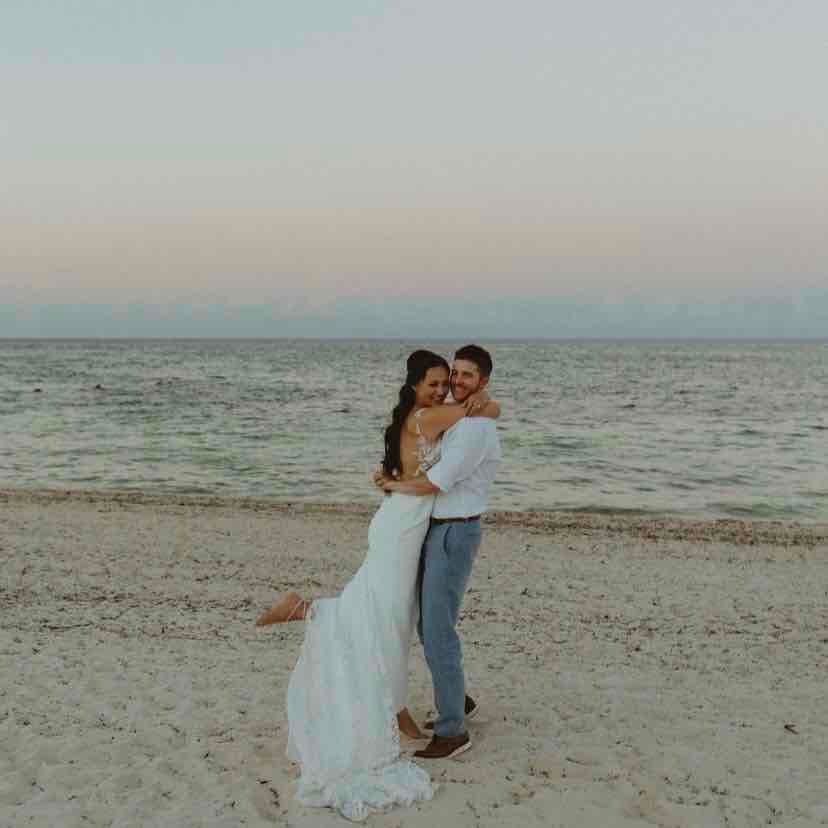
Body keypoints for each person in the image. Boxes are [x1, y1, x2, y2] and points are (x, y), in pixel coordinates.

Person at [254, 349, 499, 822]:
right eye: (434, 381)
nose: (442, 388)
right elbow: (478, 411)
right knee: (380, 611)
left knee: (394, 617)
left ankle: (398, 709)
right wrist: (397, 485)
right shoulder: (429, 416)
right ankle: (307, 609)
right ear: (413, 386)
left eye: (446, 381)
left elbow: (482, 412)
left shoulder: (422, 415)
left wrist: (389, 481)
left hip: (408, 525)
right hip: (404, 524)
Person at [378, 344, 502, 760]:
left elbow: (436, 482)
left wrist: (392, 486)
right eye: (456, 374)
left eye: (468, 376)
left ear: (482, 381)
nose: (457, 382)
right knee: (428, 626)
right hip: (435, 530)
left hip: (454, 533)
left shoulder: (474, 429)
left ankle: (453, 732)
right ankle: (457, 700)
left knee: (438, 630)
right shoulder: (462, 417)